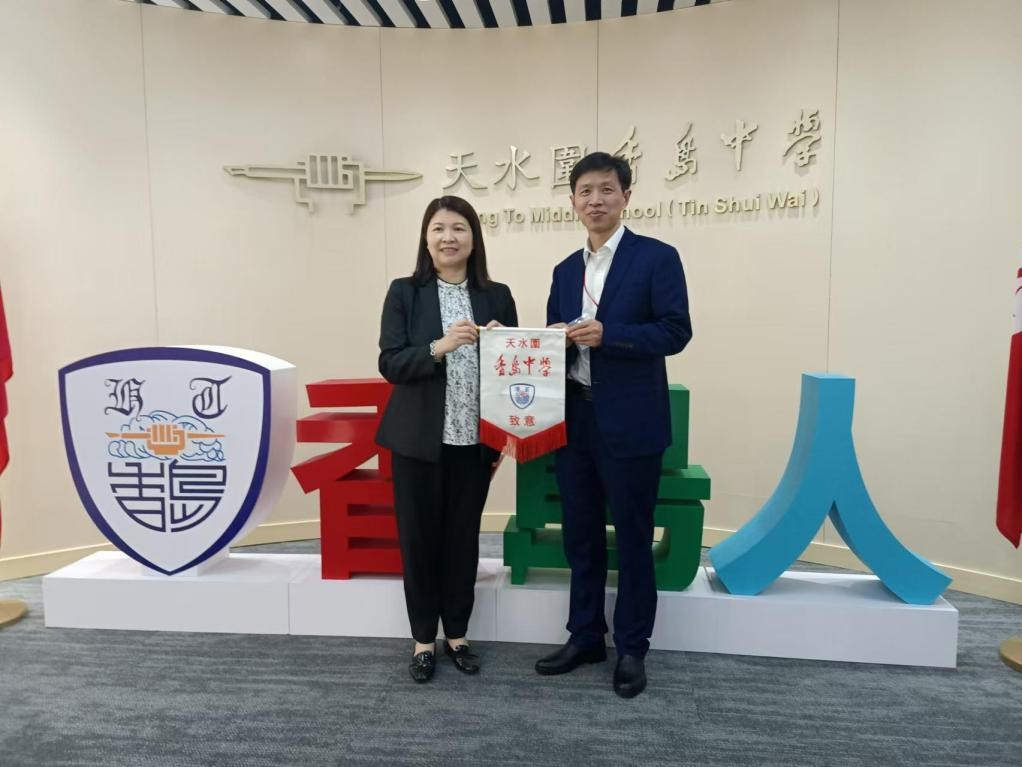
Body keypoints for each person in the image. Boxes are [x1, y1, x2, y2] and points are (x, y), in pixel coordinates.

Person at [536, 152, 692, 698]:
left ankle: (631, 648)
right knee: (580, 536)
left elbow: (675, 331)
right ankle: (585, 637)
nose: (595, 200)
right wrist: (547, 339)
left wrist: (611, 335)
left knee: (632, 537)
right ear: (572, 201)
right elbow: (552, 342)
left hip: (631, 420)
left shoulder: (656, 258)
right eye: (585, 191)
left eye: (606, 189)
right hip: (575, 418)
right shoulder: (564, 270)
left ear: (626, 196)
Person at [376, 195, 518, 683]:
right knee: (418, 541)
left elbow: (515, 368)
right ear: (426, 237)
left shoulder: (496, 295)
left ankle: (457, 634)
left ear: (474, 238)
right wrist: (440, 346)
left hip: (474, 442)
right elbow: (391, 362)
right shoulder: (405, 292)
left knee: (462, 540)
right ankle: (422, 640)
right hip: (418, 442)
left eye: (459, 228)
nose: (448, 237)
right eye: (438, 228)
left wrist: (502, 343)